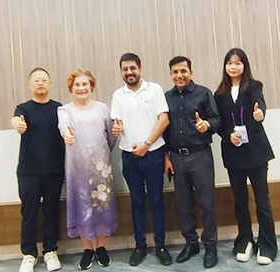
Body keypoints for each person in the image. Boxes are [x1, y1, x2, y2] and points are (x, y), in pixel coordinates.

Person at [213, 48, 278, 265]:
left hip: (256, 152)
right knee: (240, 201)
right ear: (225, 66)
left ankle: (267, 245)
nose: (233, 67)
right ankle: (245, 240)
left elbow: (260, 103)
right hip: (234, 153)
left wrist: (261, 113)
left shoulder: (254, 86)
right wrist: (228, 135)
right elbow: (219, 122)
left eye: (238, 63)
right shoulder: (219, 94)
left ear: (244, 65)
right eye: (229, 63)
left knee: (262, 201)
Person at [110, 53, 172, 267]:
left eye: (133, 68)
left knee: (156, 200)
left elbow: (164, 120)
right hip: (129, 157)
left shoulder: (154, 89)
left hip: (154, 154)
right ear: (121, 72)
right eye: (125, 69)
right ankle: (140, 246)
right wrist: (116, 129)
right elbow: (117, 123)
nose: (129, 72)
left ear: (140, 69)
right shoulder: (118, 95)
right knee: (136, 202)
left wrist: (147, 144)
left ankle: (161, 246)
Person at [163, 56, 222, 269]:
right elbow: (163, 128)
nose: (179, 75)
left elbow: (217, 119)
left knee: (206, 203)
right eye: (175, 72)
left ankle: (211, 246)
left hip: (200, 155)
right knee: (183, 203)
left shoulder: (203, 93)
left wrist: (207, 125)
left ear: (191, 72)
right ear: (171, 74)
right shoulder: (166, 98)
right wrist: (166, 157)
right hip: (177, 158)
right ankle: (191, 243)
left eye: (183, 71)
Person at [57, 69, 118, 270]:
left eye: (85, 84)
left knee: (102, 204)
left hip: (101, 167)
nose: (81, 88)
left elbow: (111, 135)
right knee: (81, 203)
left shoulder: (103, 108)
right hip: (77, 168)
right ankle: (87, 249)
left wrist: (102, 155)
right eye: (77, 85)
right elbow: (64, 126)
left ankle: (101, 246)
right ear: (71, 88)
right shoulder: (65, 110)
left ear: (91, 87)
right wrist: (67, 135)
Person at [11, 68, 64, 272]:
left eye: (44, 80)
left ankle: (50, 251)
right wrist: (17, 124)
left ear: (50, 83)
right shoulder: (23, 108)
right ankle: (29, 254)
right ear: (29, 85)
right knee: (29, 213)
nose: (40, 83)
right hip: (28, 171)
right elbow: (16, 119)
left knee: (52, 211)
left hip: (54, 170)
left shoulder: (59, 109)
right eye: (36, 80)